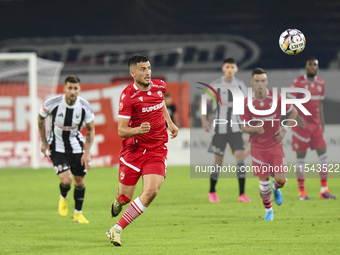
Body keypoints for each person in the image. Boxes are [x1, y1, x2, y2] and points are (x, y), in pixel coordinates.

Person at [106, 55, 178, 246]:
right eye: (142, 69)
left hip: (157, 149)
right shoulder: (128, 96)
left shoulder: (160, 86)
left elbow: (160, 102)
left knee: (151, 191)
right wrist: (138, 130)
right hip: (134, 150)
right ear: (133, 73)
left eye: (149, 68)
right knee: (124, 198)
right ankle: (117, 200)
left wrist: (169, 123)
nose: (147, 73)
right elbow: (121, 130)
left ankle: (116, 229)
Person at [240, 68, 297, 221]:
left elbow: (294, 112)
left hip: (274, 145)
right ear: (252, 82)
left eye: (263, 80)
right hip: (257, 147)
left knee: (281, 180)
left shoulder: (276, 97)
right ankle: (268, 210)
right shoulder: (247, 102)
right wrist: (254, 128)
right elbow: (243, 126)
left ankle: (276, 187)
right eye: (257, 81)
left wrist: (284, 130)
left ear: (267, 81)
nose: (260, 83)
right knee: (263, 179)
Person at [38, 75, 95, 223]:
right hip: (57, 146)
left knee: (79, 182)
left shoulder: (84, 106)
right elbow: (40, 118)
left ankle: (78, 214)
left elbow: (91, 130)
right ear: (64, 88)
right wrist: (44, 142)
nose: (72, 91)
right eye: (70, 88)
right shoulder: (53, 103)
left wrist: (87, 153)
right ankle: (63, 197)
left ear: (79, 89)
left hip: (76, 147)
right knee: (67, 179)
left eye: (75, 88)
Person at [201, 58, 251, 203]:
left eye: (232, 67)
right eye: (227, 66)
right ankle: (212, 191)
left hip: (236, 129)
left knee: (240, 157)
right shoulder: (216, 85)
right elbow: (205, 101)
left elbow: (247, 106)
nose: (230, 69)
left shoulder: (240, 85)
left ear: (236, 69)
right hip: (219, 129)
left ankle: (242, 194)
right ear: (223, 68)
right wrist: (204, 120)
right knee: (218, 160)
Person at [288, 57, 337, 200]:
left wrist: (322, 123)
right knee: (301, 158)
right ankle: (302, 192)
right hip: (301, 126)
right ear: (306, 67)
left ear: (317, 67)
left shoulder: (321, 83)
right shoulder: (298, 83)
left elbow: (320, 105)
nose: (312, 67)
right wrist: (297, 118)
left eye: (315, 65)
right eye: (310, 65)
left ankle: (324, 189)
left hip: (316, 126)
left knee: (323, 155)